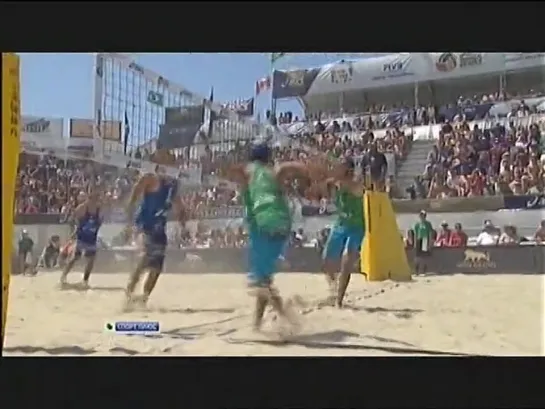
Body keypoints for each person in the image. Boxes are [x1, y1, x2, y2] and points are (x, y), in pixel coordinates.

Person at [223, 142, 312, 333]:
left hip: (262, 223)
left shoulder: (250, 170)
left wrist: (224, 168)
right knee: (264, 280)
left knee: (258, 283)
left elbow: (232, 170)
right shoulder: (273, 172)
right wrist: (305, 170)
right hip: (282, 224)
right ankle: (257, 324)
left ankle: (287, 318)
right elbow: (287, 168)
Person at [124, 149, 187, 309]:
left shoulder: (172, 186)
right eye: (166, 159)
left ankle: (143, 299)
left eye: (171, 160)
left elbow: (179, 205)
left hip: (159, 229)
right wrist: (129, 219)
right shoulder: (150, 178)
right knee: (145, 258)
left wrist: (182, 221)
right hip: (144, 225)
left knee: (156, 268)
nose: (170, 163)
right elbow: (134, 195)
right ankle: (128, 295)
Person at [321, 157, 366, 308]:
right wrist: (328, 186)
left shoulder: (356, 184)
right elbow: (326, 186)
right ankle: (334, 289)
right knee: (326, 259)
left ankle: (339, 300)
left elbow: (354, 188)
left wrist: (334, 179)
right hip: (340, 224)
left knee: (347, 261)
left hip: (356, 227)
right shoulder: (337, 182)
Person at [59, 191, 103, 289]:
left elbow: (100, 222)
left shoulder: (99, 209)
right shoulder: (82, 208)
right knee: (75, 258)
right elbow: (72, 217)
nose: (96, 201)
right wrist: (76, 228)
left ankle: (85, 280)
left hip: (91, 238)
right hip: (82, 237)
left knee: (91, 260)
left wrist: (96, 226)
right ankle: (63, 276)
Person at [413, 210, 434, 274]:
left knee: (424, 256)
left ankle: (423, 270)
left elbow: (430, 233)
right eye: (421, 215)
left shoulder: (428, 224)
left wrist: (430, 243)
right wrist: (414, 243)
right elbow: (415, 234)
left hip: (425, 240)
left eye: (423, 215)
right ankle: (416, 270)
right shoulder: (417, 224)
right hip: (419, 239)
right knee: (417, 256)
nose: (422, 216)